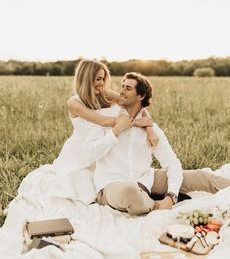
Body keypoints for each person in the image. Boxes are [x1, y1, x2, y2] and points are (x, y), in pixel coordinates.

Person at [81, 72, 230, 215]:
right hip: (112, 185)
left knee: (202, 176)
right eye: (122, 86)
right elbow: (90, 155)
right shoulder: (104, 118)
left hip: (144, 178)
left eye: (127, 88)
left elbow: (171, 162)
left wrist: (171, 195)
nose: (121, 91)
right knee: (130, 193)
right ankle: (154, 205)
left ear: (141, 95)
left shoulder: (151, 129)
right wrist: (116, 131)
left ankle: (165, 199)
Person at [51, 59, 156, 203]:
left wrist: (150, 129)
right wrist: (136, 123)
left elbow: (136, 104)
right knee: (80, 190)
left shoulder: (104, 94)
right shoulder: (74, 103)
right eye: (98, 79)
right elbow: (103, 121)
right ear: (87, 79)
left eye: (103, 78)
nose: (102, 83)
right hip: (81, 149)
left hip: (102, 145)